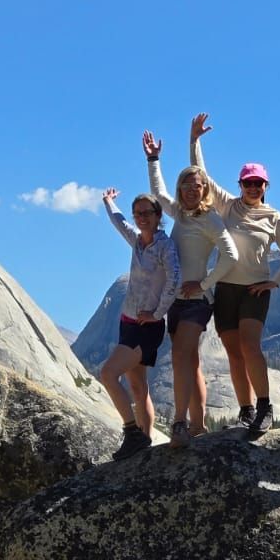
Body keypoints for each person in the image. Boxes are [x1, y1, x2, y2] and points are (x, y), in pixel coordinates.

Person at [190, 112, 280, 436]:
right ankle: (246, 410)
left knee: (251, 347)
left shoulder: (274, 216)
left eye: (258, 183)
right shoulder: (227, 206)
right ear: (240, 185)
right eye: (248, 182)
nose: (253, 187)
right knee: (234, 353)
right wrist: (195, 140)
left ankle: (265, 407)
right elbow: (202, 176)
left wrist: (274, 282)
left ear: (266, 186)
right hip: (225, 289)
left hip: (255, 290)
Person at [142, 130, 239, 449]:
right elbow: (157, 191)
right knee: (190, 361)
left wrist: (205, 283)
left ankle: (180, 423)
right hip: (176, 301)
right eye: (186, 186)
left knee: (182, 355)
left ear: (204, 189)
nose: (191, 191)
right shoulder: (180, 215)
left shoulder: (211, 219)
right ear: (181, 189)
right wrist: (153, 159)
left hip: (197, 301)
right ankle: (198, 425)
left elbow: (231, 255)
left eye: (197, 186)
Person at [100, 188, 180, 459]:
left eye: (147, 213)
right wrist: (110, 202)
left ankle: (132, 432)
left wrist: (158, 314)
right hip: (128, 321)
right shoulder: (137, 242)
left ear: (158, 216)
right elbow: (119, 222)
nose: (141, 218)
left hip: (147, 326)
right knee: (138, 385)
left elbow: (174, 280)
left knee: (108, 374)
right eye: (138, 214)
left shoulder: (165, 247)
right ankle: (144, 441)